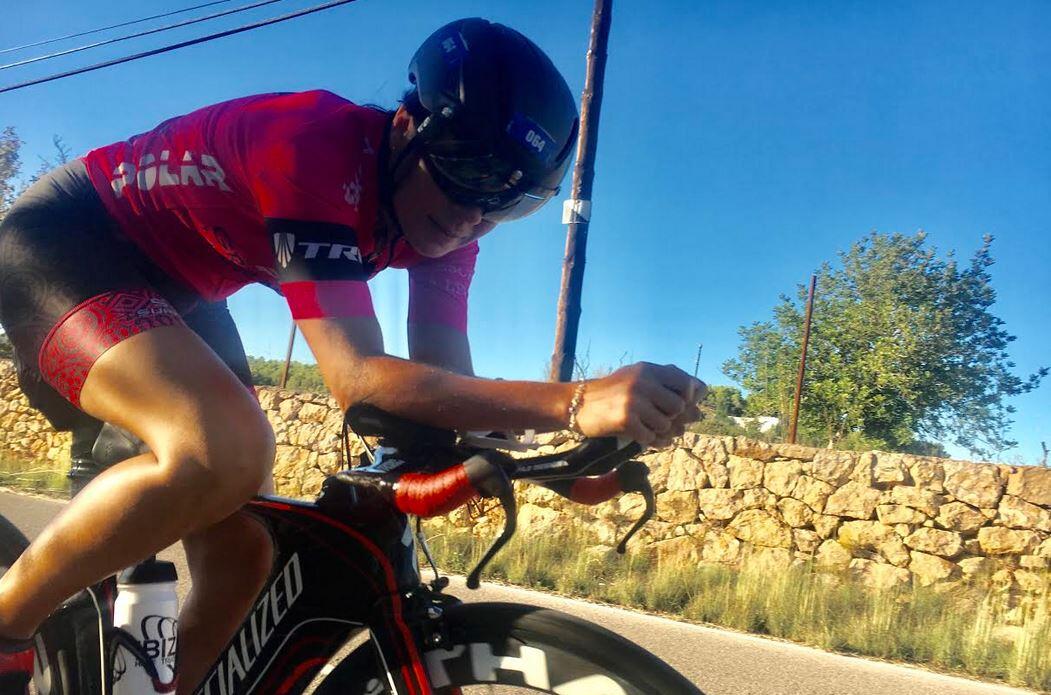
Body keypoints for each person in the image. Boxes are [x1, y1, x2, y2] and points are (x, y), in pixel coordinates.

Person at [0, 17, 705, 692]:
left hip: (183, 287)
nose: (471, 215)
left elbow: (444, 388)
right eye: (464, 177)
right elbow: (360, 380)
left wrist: (556, 454)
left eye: (504, 204)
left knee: (247, 552)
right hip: (65, 242)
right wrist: (575, 400)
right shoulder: (312, 145)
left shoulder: (452, 233)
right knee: (221, 448)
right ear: (405, 124)